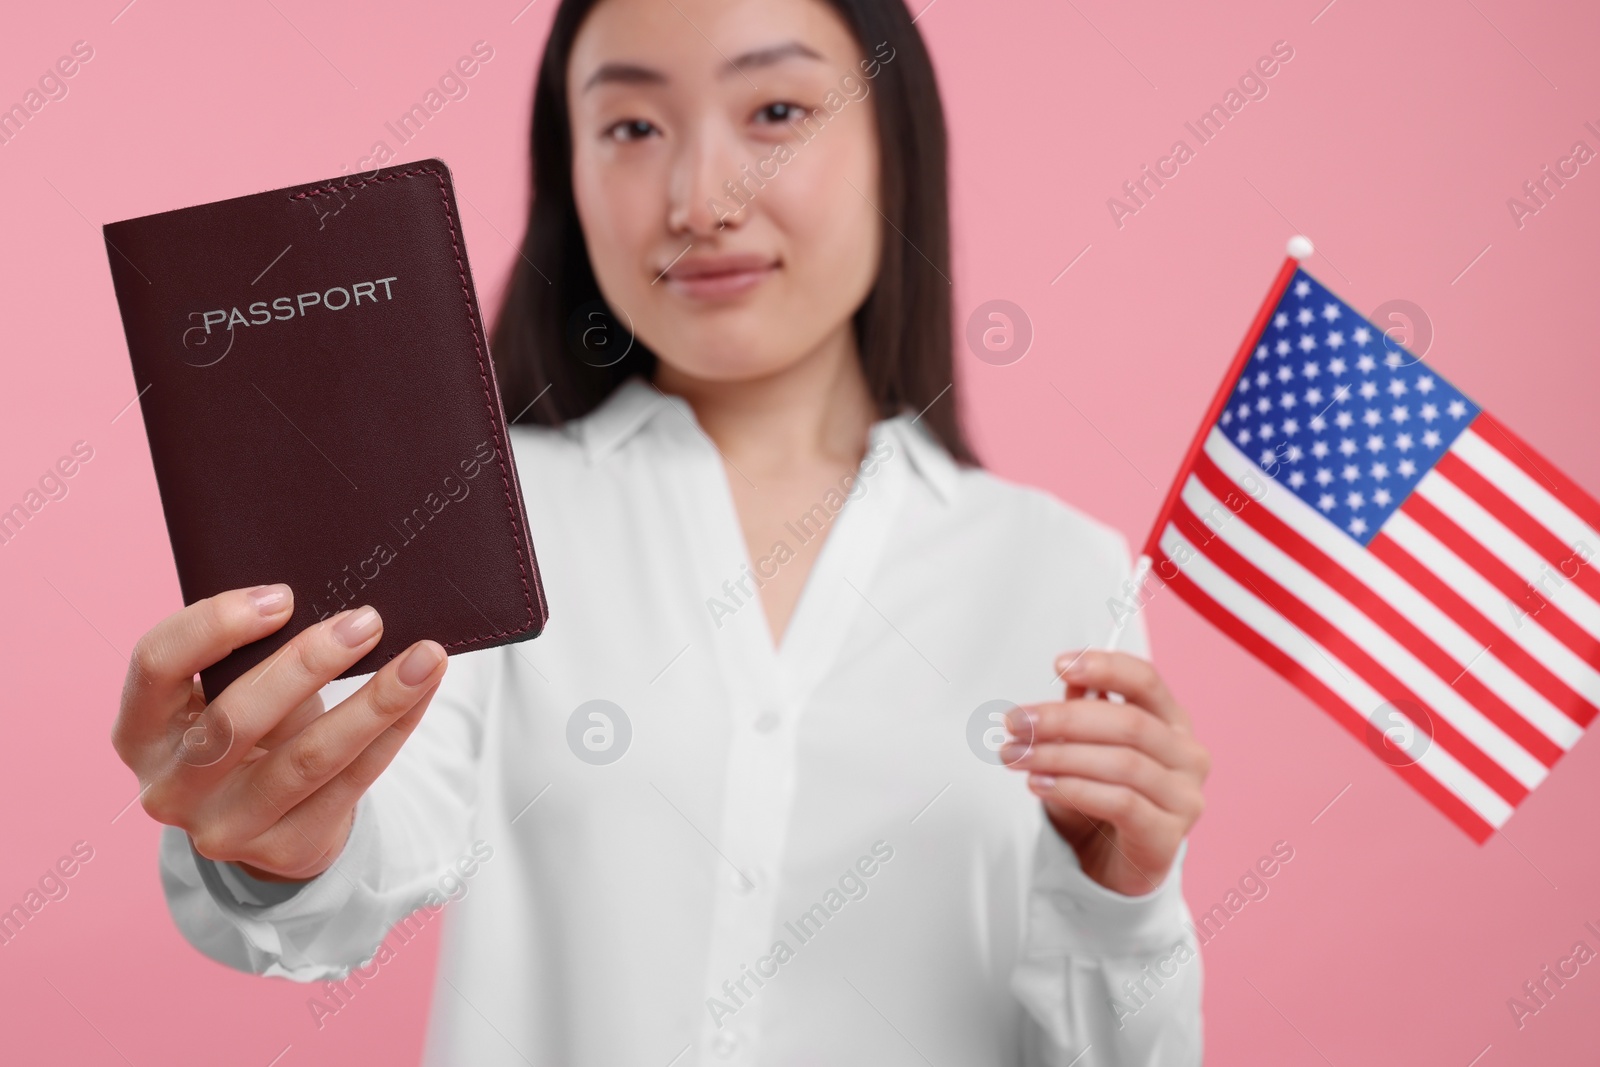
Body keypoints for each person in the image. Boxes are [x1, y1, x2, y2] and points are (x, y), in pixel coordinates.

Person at [111, 0, 1212, 1062]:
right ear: (570, 176)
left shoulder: (1057, 567)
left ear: (896, 145)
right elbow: (362, 851)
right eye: (632, 127)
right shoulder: (478, 514)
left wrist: (1121, 902)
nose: (702, 198)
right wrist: (279, 837)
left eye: (776, 113)